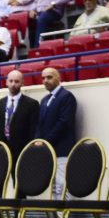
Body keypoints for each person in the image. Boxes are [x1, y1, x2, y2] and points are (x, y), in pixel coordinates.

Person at [0, 70, 39, 218]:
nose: (13, 84)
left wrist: (30, 154)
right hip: (1, 152)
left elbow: (33, 131)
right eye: (11, 81)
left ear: (22, 83)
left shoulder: (31, 104)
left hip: (21, 152)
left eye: (17, 81)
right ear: (6, 82)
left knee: (20, 187)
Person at [37, 68, 77, 202]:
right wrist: (38, 140)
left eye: (49, 77)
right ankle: (58, 215)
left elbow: (64, 123)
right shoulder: (44, 100)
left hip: (62, 149)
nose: (45, 81)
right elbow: (40, 124)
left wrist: (46, 141)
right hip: (49, 150)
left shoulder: (67, 97)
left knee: (62, 185)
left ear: (58, 78)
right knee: (54, 186)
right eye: (43, 78)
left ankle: (66, 215)